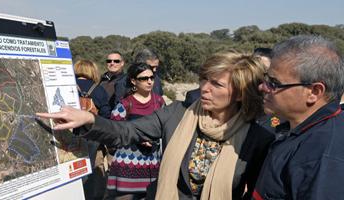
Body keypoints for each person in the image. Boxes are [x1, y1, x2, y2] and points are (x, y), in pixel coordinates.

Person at [37, 51, 274, 200]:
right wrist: (90, 120)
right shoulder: (178, 113)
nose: (204, 88)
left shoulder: (258, 138)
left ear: (241, 93)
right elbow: (127, 131)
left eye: (217, 84)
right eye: (204, 79)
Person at [254, 35, 344, 200]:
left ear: (314, 92)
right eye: (266, 78)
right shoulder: (297, 128)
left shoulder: (323, 158)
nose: (262, 87)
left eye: (273, 83)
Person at [106, 62, 165, 199]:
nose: (149, 81)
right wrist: (138, 139)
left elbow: (166, 128)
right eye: (144, 78)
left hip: (155, 163)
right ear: (133, 81)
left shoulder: (160, 102)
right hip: (128, 166)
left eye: (152, 77)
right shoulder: (125, 104)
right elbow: (114, 133)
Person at [74, 60, 111, 200]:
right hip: (93, 135)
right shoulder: (98, 89)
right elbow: (106, 113)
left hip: (72, 134)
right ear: (92, 71)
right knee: (92, 169)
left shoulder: (68, 86)